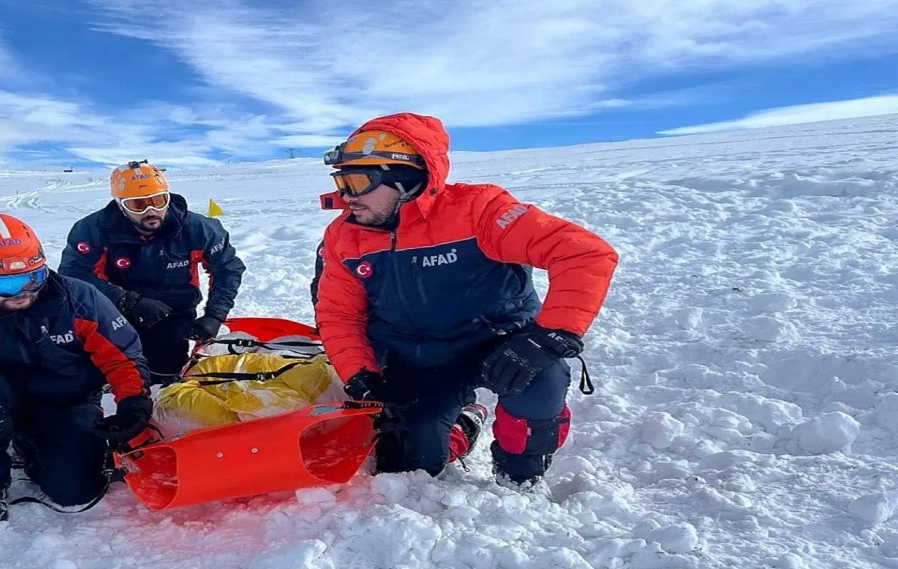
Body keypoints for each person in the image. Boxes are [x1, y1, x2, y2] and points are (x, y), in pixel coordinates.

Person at [313, 113, 619, 488]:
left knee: (540, 381)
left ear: (405, 177)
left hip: (499, 343)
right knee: (408, 468)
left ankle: (519, 469)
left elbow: (583, 253)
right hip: (418, 358)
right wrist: (360, 374)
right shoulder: (345, 236)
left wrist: (550, 335)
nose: (346, 195)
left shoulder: (479, 209)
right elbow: (339, 313)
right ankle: (464, 424)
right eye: (341, 181)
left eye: (358, 181)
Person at [0, 213, 154, 530]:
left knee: (76, 490)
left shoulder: (78, 298)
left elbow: (122, 355)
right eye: (5, 284)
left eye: (33, 278)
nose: (23, 291)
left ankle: (29, 446)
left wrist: (133, 402)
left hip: (66, 402)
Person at [59, 160, 246, 383]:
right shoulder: (93, 229)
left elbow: (227, 268)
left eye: (158, 201)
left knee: (165, 374)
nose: (151, 211)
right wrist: (126, 301)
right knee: (107, 372)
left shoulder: (198, 229)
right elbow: (73, 275)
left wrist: (215, 315)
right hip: (113, 311)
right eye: (138, 205)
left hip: (173, 313)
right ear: (120, 205)